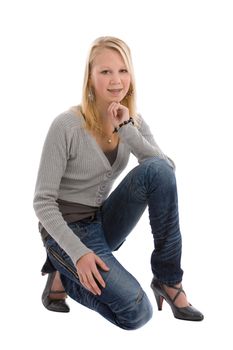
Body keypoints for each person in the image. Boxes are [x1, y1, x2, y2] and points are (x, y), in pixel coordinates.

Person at [33, 36, 204, 329]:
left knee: (158, 171)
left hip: (103, 221)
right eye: (105, 71)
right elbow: (42, 203)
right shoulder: (66, 125)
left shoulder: (132, 121)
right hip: (65, 230)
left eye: (123, 71)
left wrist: (126, 128)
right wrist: (79, 253)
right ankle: (66, 273)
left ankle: (168, 278)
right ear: (90, 77)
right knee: (137, 313)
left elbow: (165, 171)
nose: (116, 80)